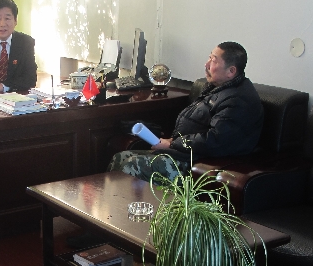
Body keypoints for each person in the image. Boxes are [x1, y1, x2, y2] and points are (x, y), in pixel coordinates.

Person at [108, 41, 264, 183]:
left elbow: (214, 141)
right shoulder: (217, 88)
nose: (206, 64)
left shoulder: (238, 100)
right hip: (183, 152)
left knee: (131, 165)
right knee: (120, 157)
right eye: (209, 58)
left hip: (195, 161)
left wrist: (172, 143)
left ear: (231, 71)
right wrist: (171, 141)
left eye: (214, 61)